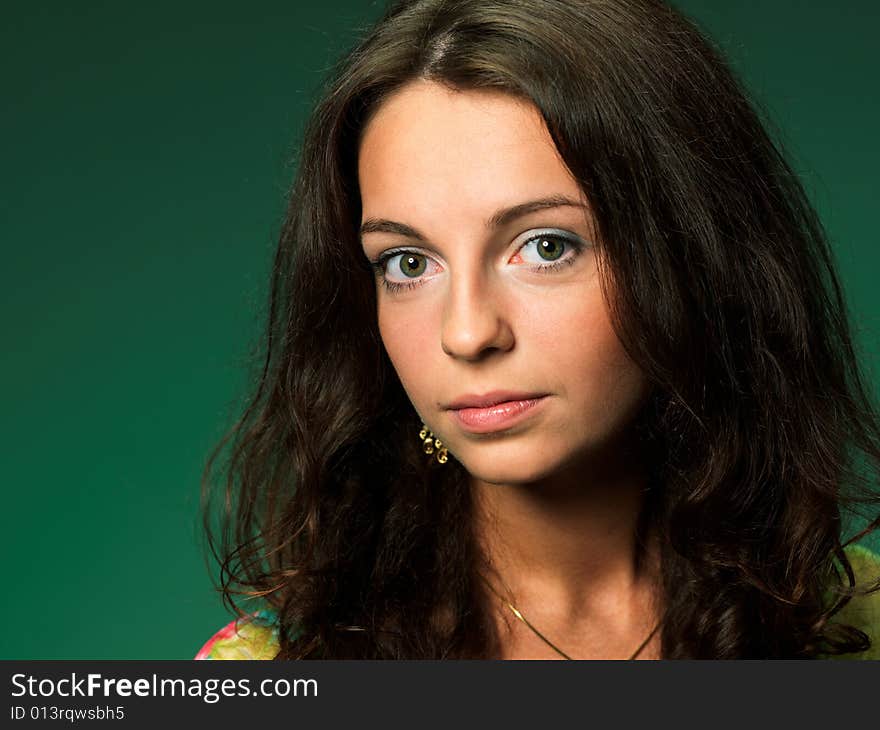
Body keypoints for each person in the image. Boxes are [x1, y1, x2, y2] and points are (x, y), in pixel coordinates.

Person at [196, 0, 880, 660]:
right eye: (408, 263)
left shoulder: (859, 627)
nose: (466, 334)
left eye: (546, 247)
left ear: (691, 256)